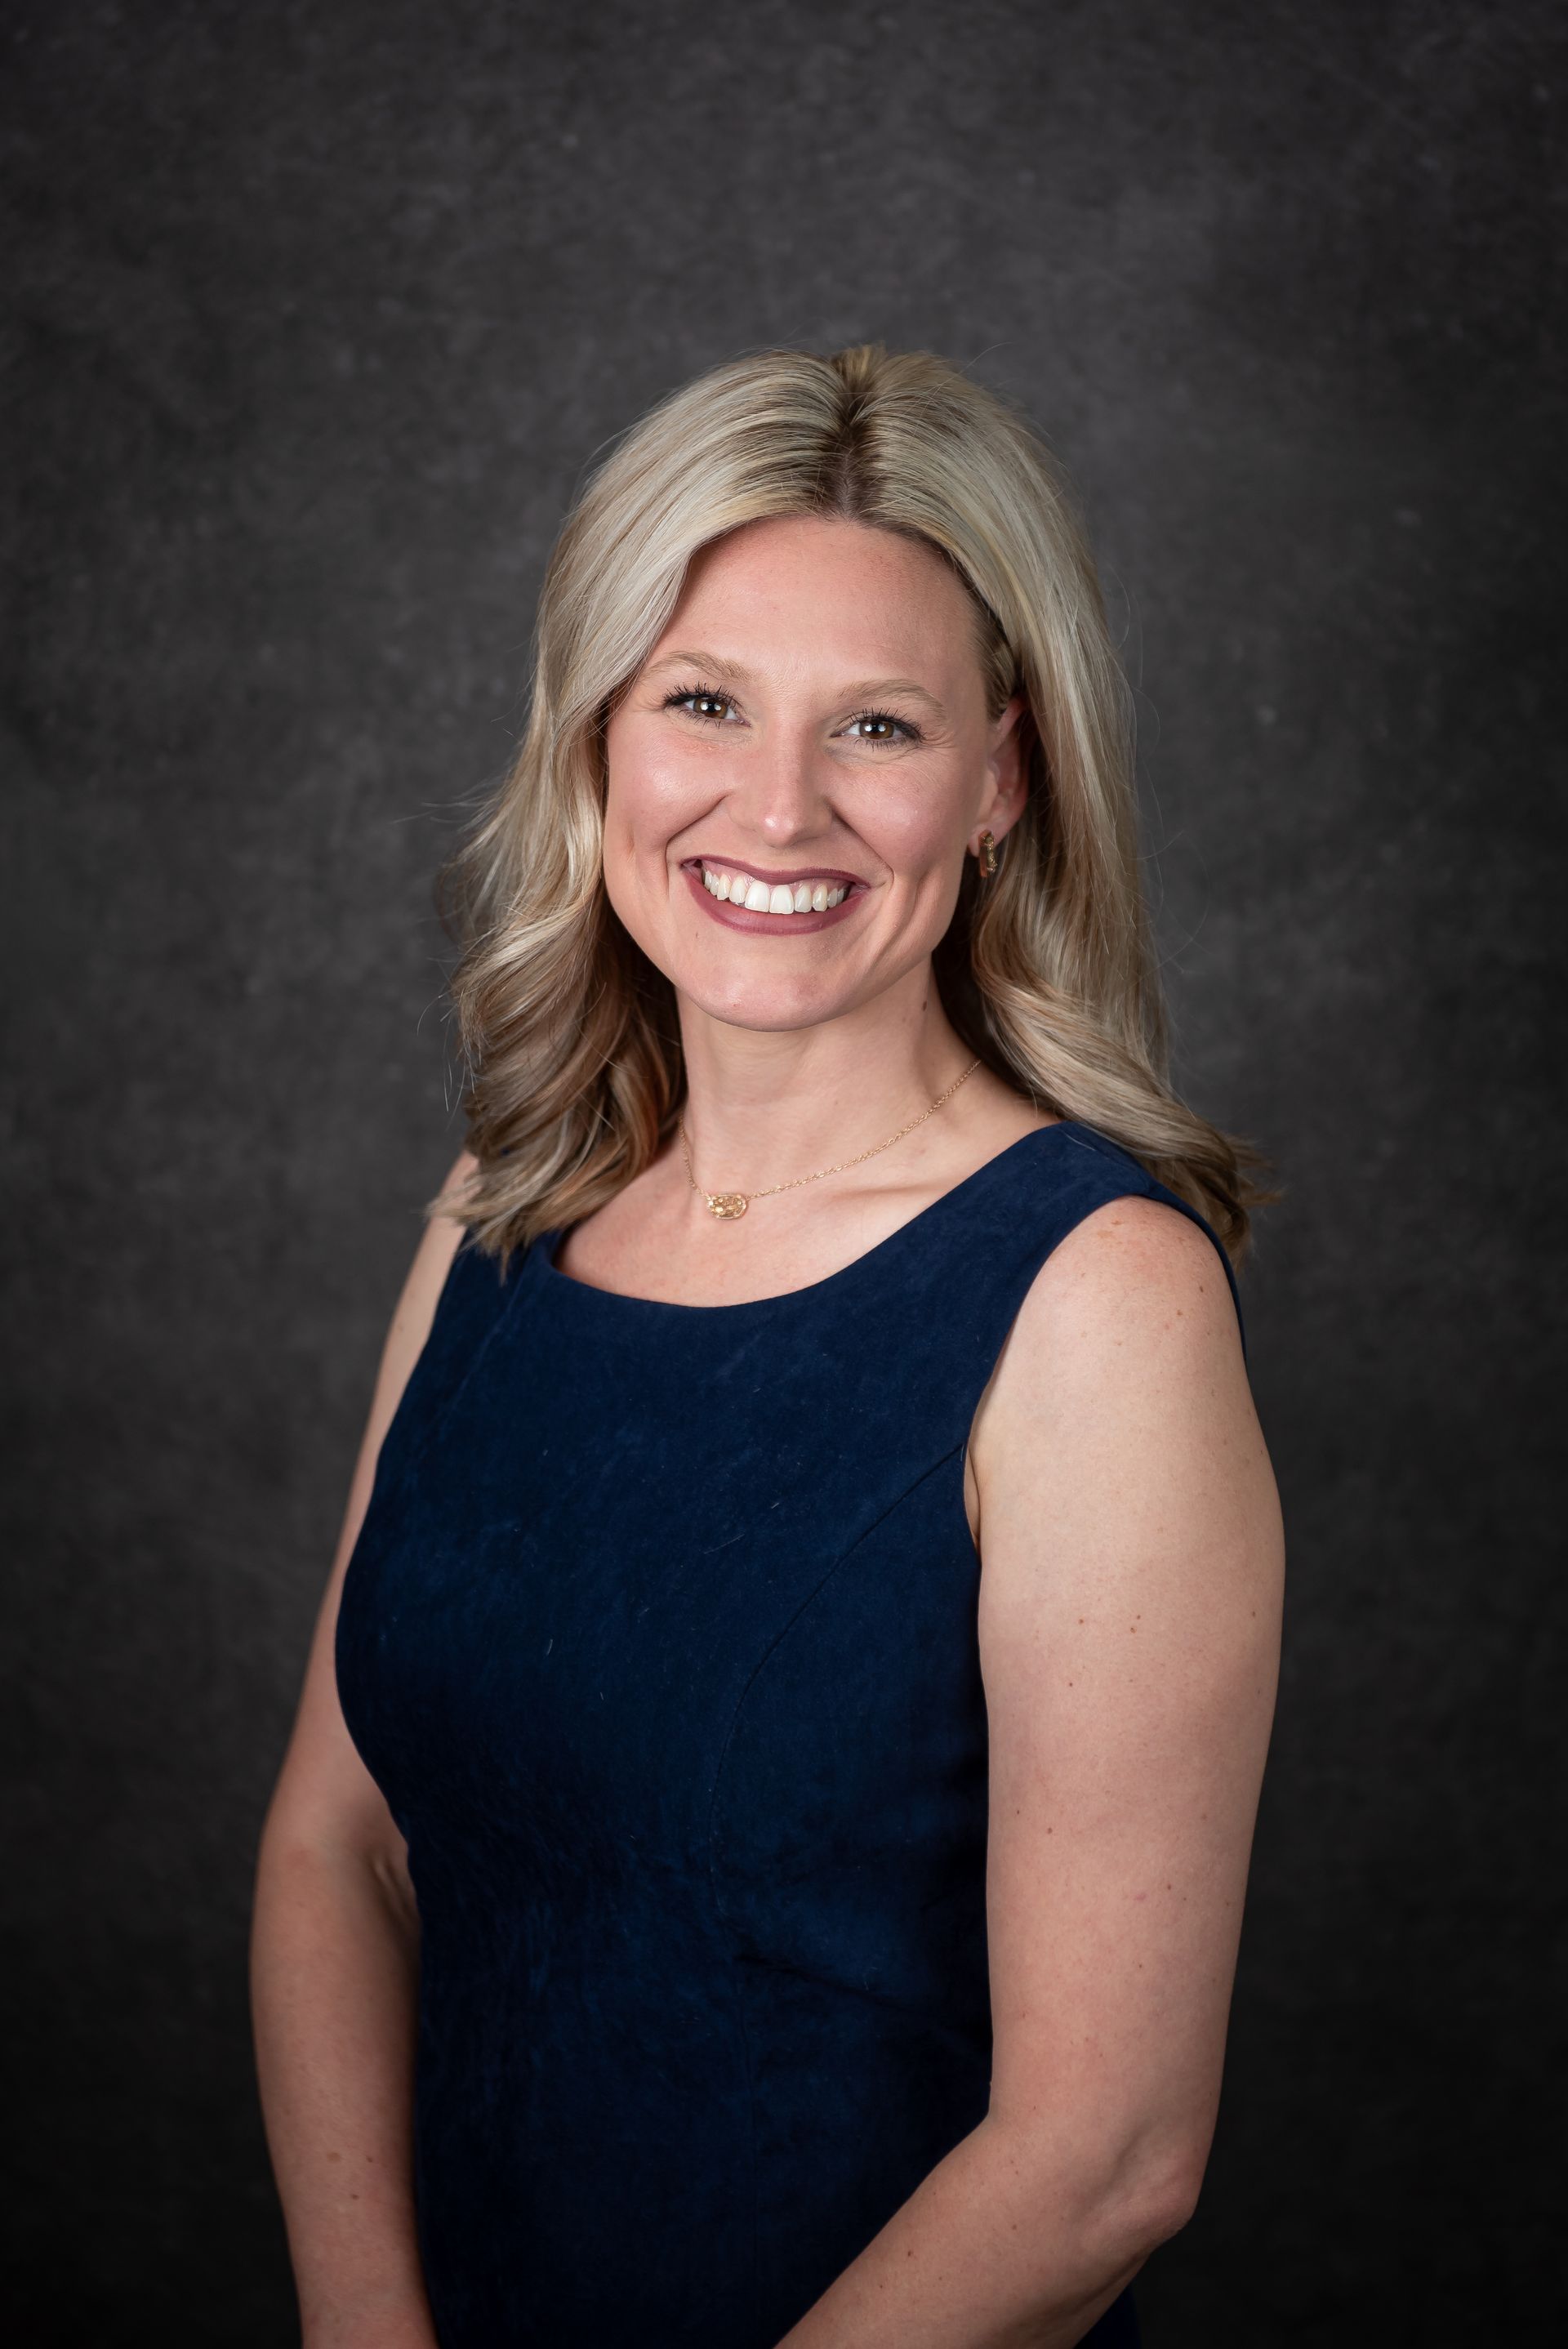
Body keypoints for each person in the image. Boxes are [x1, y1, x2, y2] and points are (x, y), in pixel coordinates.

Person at [250, 343, 1285, 2349]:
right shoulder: (498, 1211)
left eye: (876, 725)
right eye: (704, 701)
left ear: (1004, 776)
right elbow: (337, 1835)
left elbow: (1108, 2153)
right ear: (598, 739)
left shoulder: (1098, 1302)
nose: (777, 805)